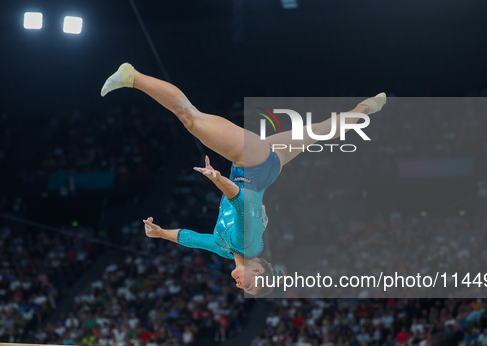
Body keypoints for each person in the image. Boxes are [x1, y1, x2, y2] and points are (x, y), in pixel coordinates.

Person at [103, 63, 386, 298]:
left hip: (267, 169)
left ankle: (366, 109)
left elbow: (192, 239)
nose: (240, 286)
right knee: (190, 118)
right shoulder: (248, 245)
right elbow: (238, 200)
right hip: (251, 166)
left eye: (244, 290)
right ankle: (132, 76)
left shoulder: (228, 250)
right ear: (259, 270)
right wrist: (218, 179)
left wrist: (161, 233)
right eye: (248, 285)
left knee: (322, 131)